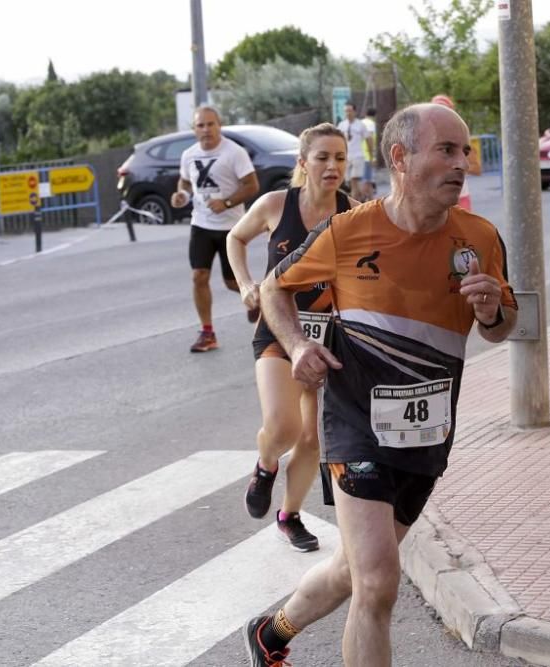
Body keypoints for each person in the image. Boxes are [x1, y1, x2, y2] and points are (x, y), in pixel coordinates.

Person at [243, 103, 518, 666]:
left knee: (353, 569)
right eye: (446, 150)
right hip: (354, 424)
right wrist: (297, 346)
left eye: (464, 151)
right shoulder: (348, 231)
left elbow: (503, 328)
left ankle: (270, 633)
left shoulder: (479, 237)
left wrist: (492, 312)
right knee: (378, 582)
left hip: (425, 433)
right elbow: (274, 288)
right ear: (400, 157)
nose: (461, 162)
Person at [226, 123, 357, 552]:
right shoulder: (274, 204)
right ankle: (265, 466)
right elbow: (235, 238)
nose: (332, 166)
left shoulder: (354, 213)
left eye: (339, 157)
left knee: (310, 437)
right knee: (284, 427)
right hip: (277, 329)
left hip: (325, 334)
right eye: (322, 157)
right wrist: (246, 283)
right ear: (303, 163)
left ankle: (289, 515)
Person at [173, 105, 260, 352]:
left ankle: (262, 303)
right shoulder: (189, 155)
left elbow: (252, 185)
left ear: (219, 126)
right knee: (198, 276)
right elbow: (185, 182)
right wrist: (180, 194)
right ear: (194, 129)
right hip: (200, 224)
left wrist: (227, 202)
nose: (206, 129)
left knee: (233, 283)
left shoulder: (234, 152)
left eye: (211, 124)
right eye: (201, 125)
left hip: (231, 228)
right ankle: (207, 333)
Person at [430, 94, 482, 209]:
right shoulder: (425, 139)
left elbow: (476, 169)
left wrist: (457, 167)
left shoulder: (463, 138)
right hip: (433, 200)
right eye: (436, 111)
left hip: (459, 198)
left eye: (445, 111)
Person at [337, 102, 374, 199]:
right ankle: (362, 197)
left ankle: (354, 206)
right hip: (346, 157)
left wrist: (370, 155)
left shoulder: (360, 125)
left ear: (354, 112)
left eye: (350, 111)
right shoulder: (341, 125)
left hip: (358, 156)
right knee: (349, 182)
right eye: (346, 111)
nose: (347, 113)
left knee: (354, 180)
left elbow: (368, 139)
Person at [360, 108, 378, 201]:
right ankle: (362, 199)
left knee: (367, 179)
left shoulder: (360, 122)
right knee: (367, 179)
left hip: (359, 154)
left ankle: (370, 200)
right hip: (367, 155)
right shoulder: (371, 124)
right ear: (374, 116)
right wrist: (373, 156)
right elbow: (370, 138)